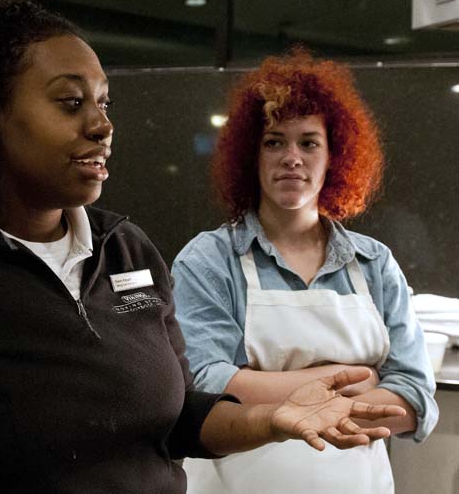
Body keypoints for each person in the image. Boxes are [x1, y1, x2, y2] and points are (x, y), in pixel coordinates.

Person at [0, 0, 406, 494]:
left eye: (104, 103)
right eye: (70, 102)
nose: (102, 125)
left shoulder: (127, 250)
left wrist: (269, 419)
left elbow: (177, 418)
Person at [172, 48, 438, 494]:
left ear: (335, 156)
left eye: (308, 142)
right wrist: (352, 380)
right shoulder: (210, 260)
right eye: (274, 141)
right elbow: (206, 384)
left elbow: (414, 397)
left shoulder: (373, 263)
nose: (291, 157)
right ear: (250, 157)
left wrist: (268, 388)